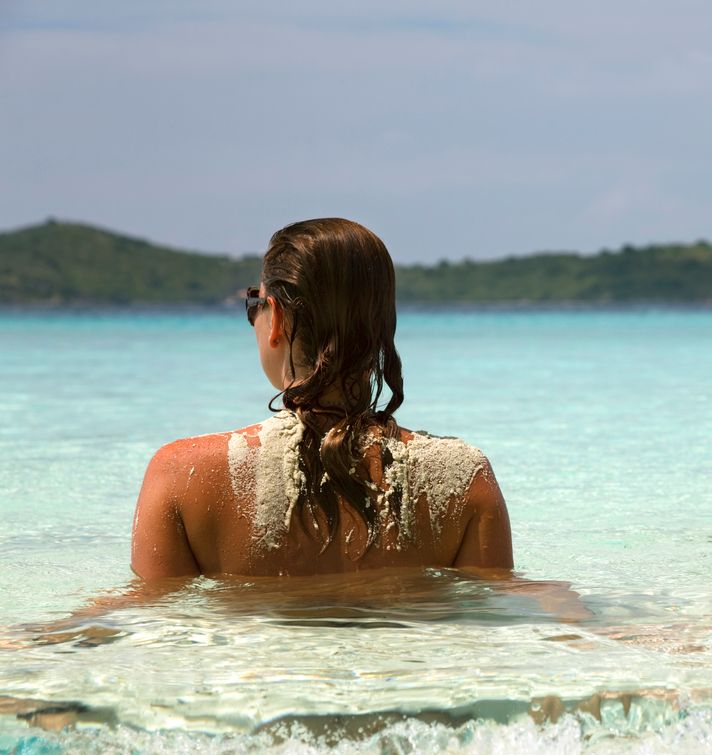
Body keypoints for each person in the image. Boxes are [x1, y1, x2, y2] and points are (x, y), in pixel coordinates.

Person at [132, 218, 512, 577]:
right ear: (382, 324)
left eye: (255, 305)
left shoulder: (181, 476)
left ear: (276, 319)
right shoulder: (463, 478)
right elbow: (493, 613)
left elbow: (151, 620)